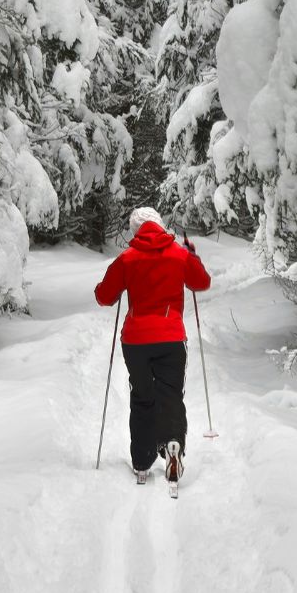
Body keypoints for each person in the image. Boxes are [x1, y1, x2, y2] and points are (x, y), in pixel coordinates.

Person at [94, 208, 211, 487]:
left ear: (136, 230)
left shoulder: (127, 258)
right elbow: (202, 282)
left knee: (143, 397)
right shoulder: (179, 254)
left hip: (136, 342)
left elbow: (104, 297)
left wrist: (109, 284)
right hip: (171, 338)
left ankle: (142, 462)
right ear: (159, 226)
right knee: (170, 395)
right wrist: (192, 256)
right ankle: (172, 445)